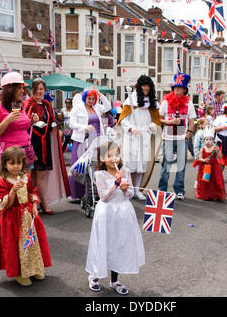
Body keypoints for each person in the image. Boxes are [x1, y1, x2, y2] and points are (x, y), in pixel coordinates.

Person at [86, 141, 145, 295]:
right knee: (103, 243)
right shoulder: (99, 174)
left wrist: (126, 189)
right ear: (102, 159)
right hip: (106, 214)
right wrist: (116, 183)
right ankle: (94, 275)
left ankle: (114, 280)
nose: (114, 158)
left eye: (116, 154)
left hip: (123, 213)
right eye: (109, 155)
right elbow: (104, 197)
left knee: (119, 244)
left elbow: (131, 194)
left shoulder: (125, 170)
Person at [0, 72, 38, 241]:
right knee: (6, 189)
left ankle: (21, 224)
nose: (23, 90)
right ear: (10, 89)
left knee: (24, 188)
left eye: (23, 87)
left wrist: (32, 122)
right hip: (7, 155)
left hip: (24, 152)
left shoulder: (19, 105)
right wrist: (7, 120)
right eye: (20, 87)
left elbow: (21, 126)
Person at [0, 146, 52, 286]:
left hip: (27, 216)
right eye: (12, 163)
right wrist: (13, 190)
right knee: (15, 246)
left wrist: (34, 205)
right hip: (12, 218)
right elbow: (4, 204)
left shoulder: (25, 177)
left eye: (18, 163)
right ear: (5, 164)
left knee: (31, 243)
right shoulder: (3, 181)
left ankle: (34, 268)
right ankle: (19, 273)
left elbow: (32, 192)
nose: (15, 166)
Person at [23, 78, 71, 215]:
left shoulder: (45, 104)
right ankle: (38, 203)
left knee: (40, 174)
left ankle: (38, 202)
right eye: (37, 89)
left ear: (45, 90)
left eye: (41, 89)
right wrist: (32, 122)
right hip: (34, 143)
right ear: (33, 90)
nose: (39, 91)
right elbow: (25, 124)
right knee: (34, 174)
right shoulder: (28, 104)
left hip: (45, 143)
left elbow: (51, 121)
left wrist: (55, 127)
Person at [117, 75, 161, 200]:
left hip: (145, 135)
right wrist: (131, 128)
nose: (146, 88)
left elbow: (156, 120)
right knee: (129, 163)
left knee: (141, 164)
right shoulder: (131, 100)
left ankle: (138, 190)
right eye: (144, 85)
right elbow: (123, 119)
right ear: (140, 86)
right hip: (132, 135)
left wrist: (152, 126)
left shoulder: (153, 102)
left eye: (148, 86)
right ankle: (128, 189)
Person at [158, 72, 196, 201]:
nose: (177, 89)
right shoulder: (165, 103)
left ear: (185, 90)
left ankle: (179, 190)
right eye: (175, 87)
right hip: (168, 138)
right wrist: (168, 122)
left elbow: (192, 121)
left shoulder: (189, 104)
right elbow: (158, 118)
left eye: (180, 87)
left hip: (181, 139)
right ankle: (162, 190)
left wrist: (188, 135)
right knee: (166, 165)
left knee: (181, 166)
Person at [69, 86, 111, 200]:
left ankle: (96, 191)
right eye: (89, 98)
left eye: (93, 98)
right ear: (84, 98)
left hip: (97, 140)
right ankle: (78, 194)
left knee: (96, 167)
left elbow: (108, 107)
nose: (91, 101)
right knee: (80, 166)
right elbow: (71, 124)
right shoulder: (77, 108)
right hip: (83, 140)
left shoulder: (97, 107)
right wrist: (84, 127)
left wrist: (100, 93)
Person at [194, 126, 225, 201]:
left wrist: (218, 151)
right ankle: (206, 194)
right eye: (206, 139)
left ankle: (215, 194)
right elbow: (200, 158)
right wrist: (204, 160)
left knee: (214, 180)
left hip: (214, 167)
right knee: (205, 181)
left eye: (210, 139)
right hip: (205, 168)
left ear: (213, 141)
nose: (208, 141)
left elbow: (220, 157)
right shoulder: (203, 149)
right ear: (204, 141)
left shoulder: (214, 148)